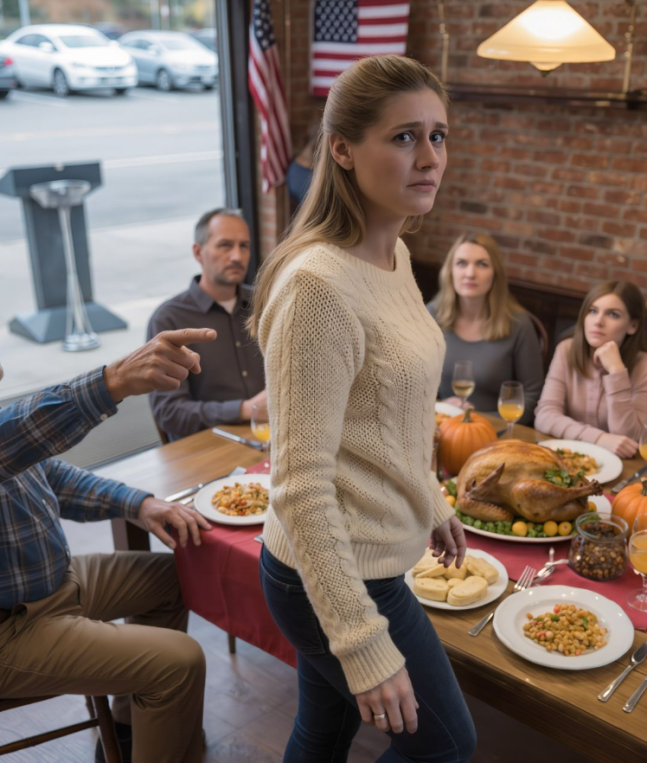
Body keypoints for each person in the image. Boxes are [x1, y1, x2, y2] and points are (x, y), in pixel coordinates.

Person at [0, 271, 217, 763]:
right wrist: (112, 381)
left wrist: (140, 504)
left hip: (47, 588)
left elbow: (51, 476)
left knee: (179, 576)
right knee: (179, 663)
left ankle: (125, 731)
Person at [248, 56, 476, 763]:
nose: (430, 157)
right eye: (405, 137)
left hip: (368, 551)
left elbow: (393, 418)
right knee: (446, 745)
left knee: (323, 729)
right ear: (343, 149)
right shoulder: (319, 287)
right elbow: (301, 482)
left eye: (438, 136)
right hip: (333, 573)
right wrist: (361, 641)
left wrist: (429, 497)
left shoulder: (397, 256)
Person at [147, 208, 266, 441]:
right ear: (198, 252)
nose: (237, 256)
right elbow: (169, 412)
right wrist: (244, 409)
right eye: (225, 245)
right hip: (208, 448)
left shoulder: (265, 303)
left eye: (244, 246)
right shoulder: (169, 320)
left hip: (270, 440)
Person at [426, 233, 544, 425]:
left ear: (495, 273)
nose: (470, 273)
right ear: (450, 271)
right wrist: (440, 408)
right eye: (461, 263)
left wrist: (478, 421)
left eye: (482, 264)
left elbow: (532, 398)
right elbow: (412, 384)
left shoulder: (519, 324)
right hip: (440, 426)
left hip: (495, 431)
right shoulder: (431, 316)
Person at [534, 280, 647, 458]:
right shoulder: (566, 349)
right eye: (593, 311)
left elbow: (631, 438)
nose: (598, 321)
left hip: (620, 467)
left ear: (633, 326)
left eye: (613, 315)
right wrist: (599, 438)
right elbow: (544, 416)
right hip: (569, 456)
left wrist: (617, 372)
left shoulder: (643, 366)